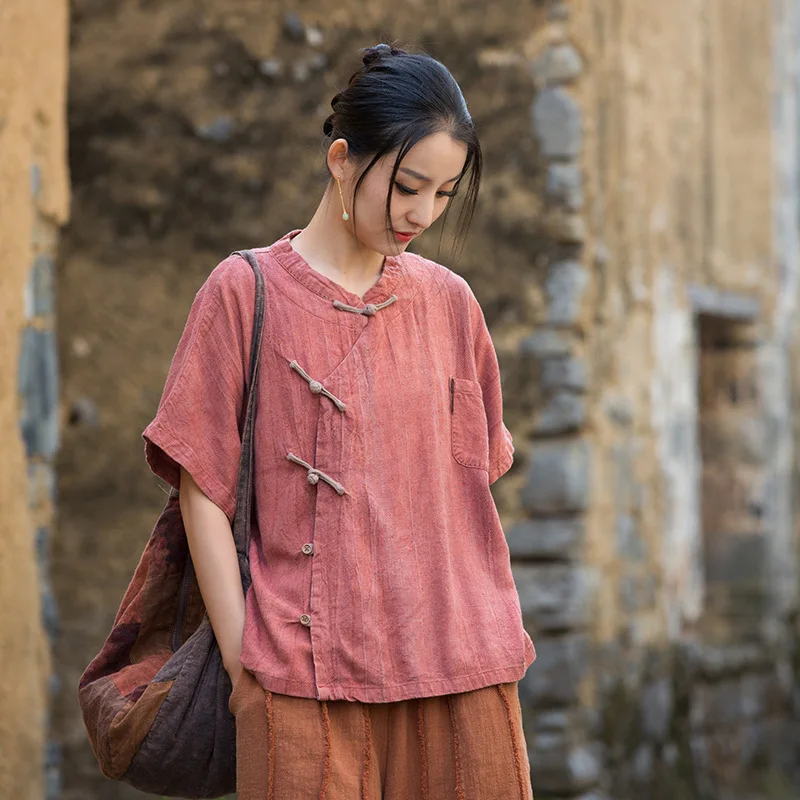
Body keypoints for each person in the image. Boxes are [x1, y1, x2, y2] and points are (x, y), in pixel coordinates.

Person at [142, 42, 536, 800]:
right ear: (341, 159)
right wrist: (242, 661)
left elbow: (469, 488)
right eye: (407, 185)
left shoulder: (451, 303)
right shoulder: (243, 291)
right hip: (304, 682)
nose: (422, 214)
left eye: (445, 193)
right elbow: (201, 489)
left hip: (463, 672)